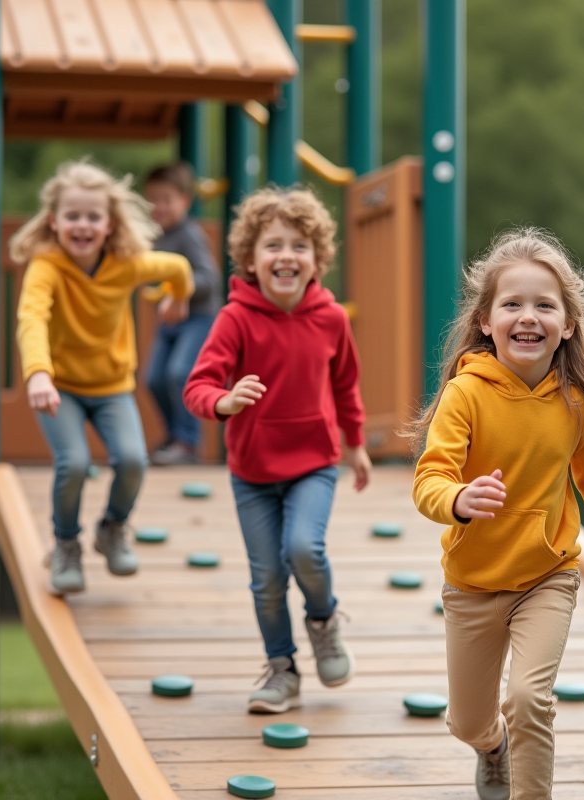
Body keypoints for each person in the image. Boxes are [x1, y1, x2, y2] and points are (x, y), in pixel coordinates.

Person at [410, 229, 584, 800]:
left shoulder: (574, 403)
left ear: (568, 324)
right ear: (486, 320)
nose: (527, 316)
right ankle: (491, 747)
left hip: (546, 575)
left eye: (544, 305)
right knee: (468, 721)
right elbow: (430, 478)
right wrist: (458, 499)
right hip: (473, 582)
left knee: (530, 699)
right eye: (512, 304)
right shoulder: (467, 394)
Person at [183, 186, 371, 714]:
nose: (286, 256)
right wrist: (225, 401)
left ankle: (323, 620)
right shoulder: (235, 319)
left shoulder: (331, 319)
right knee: (266, 579)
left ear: (317, 260)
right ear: (249, 259)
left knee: (303, 550)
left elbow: (345, 386)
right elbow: (196, 386)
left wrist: (354, 445)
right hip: (252, 473)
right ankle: (282, 669)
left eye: (299, 246)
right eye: (272, 246)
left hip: (314, 464)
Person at [12, 159, 194, 596]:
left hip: (112, 387)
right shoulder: (47, 267)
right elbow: (31, 317)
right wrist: (38, 374)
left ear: (109, 224)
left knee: (132, 461)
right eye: (72, 216)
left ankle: (112, 529)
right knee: (73, 464)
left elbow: (178, 270)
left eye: (92, 217)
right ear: (54, 221)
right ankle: (66, 543)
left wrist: (178, 300)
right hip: (61, 389)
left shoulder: (126, 265)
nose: (83, 225)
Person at [143, 162, 223, 465]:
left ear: (184, 202)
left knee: (180, 373)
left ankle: (189, 444)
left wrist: (179, 292)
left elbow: (209, 279)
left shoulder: (189, 235)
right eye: (153, 199)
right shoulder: (157, 237)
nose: (158, 206)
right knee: (154, 379)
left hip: (198, 318)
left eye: (166, 199)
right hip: (170, 323)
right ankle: (174, 435)